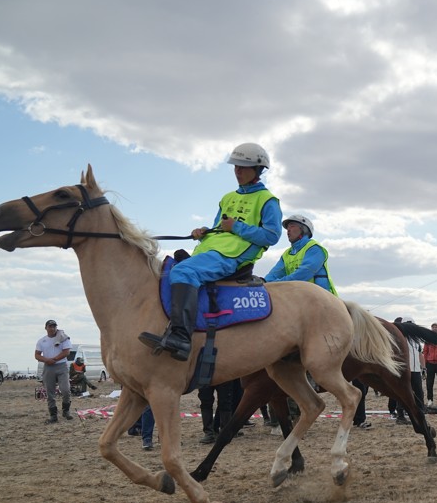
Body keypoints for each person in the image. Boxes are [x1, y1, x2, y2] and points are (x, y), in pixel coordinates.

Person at [139, 143, 282, 361]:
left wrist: (236, 227)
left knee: (184, 273)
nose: (238, 171)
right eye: (235, 166)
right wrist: (203, 232)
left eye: (243, 167)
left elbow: (272, 236)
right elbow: (220, 227)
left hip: (233, 257)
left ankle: (181, 338)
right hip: (210, 251)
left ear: (258, 169)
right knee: (169, 270)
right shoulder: (227, 198)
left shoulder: (268, 200)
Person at [264, 214, 337, 294]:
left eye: (292, 226)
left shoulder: (314, 248)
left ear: (304, 229)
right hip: (300, 298)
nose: (288, 230)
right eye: (287, 227)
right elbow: (274, 274)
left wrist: (276, 283)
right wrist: (263, 282)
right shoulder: (287, 254)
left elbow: (303, 274)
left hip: (322, 300)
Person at [35, 319, 73, 423]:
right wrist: (46, 360)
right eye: (50, 326)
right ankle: (53, 415)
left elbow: (66, 352)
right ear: (46, 328)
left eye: (54, 326)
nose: (52, 328)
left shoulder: (63, 338)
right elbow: (37, 355)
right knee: (50, 392)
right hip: (48, 367)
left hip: (61, 366)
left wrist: (55, 359)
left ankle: (66, 410)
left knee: (65, 390)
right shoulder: (42, 341)